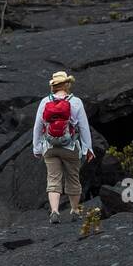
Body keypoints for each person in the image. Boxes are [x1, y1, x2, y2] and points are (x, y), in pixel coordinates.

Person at [32, 70, 95, 223]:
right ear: (67, 84)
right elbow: (84, 127)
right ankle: (74, 210)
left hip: (50, 147)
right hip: (70, 147)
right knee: (73, 178)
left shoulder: (45, 101)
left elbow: (38, 126)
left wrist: (37, 148)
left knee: (53, 179)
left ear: (53, 86)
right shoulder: (76, 102)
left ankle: (54, 211)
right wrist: (88, 148)